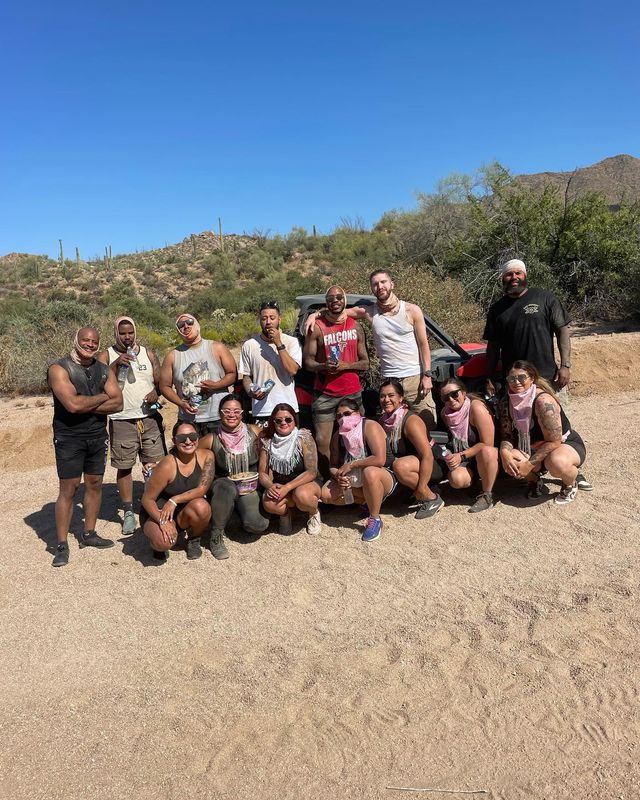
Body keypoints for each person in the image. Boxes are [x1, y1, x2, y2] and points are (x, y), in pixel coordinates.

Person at [483, 257, 592, 491]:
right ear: (503, 279)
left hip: (547, 377)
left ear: (525, 275)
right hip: (515, 382)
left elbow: (563, 330)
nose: (513, 278)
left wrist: (566, 364)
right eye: (509, 275)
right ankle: (535, 472)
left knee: (557, 427)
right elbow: (492, 346)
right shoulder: (497, 309)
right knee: (523, 429)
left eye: (517, 274)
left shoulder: (545, 298)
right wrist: (490, 376)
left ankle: (571, 470)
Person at [306, 271, 436, 425]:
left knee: (426, 425)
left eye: (383, 282)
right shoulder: (369, 312)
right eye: (375, 284)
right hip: (389, 380)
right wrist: (314, 315)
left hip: (415, 378)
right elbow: (337, 311)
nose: (380, 286)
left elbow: (423, 345)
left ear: (391, 284)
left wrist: (427, 375)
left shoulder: (412, 310)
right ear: (372, 289)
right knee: (394, 429)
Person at [47, 327, 123, 567]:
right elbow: (72, 405)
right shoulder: (59, 368)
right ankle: (61, 544)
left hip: (97, 435)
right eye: (85, 340)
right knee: (68, 489)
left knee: (95, 484)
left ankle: (89, 533)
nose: (90, 344)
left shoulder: (103, 369)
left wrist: (86, 402)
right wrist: (102, 397)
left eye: (94, 341)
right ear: (76, 340)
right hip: (69, 437)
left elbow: (119, 402)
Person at [97, 316, 166, 535]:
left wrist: (157, 392)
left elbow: (160, 382)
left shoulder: (148, 353)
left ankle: (153, 502)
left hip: (148, 416)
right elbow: (98, 382)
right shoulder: (107, 355)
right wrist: (117, 364)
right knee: (125, 465)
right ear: (116, 333)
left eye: (130, 333)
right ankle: (128, 511)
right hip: (121, 418)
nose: (127, 337)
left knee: (154, 463)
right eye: (122, 333)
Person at [498, 360, 587, 505]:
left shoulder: (543, 401)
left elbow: (554, 441)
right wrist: (504, 452)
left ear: (532, 378)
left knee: (557, 463)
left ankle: (570, 483)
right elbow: (506, 435)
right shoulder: (505, 401)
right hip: (532, 446)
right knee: (511, 460)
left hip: (562, 444)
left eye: (522, 377)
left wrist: (530, 464)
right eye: (512, 378)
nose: (517, 382)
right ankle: (534, 480)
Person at [303, 285, 369, 476]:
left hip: (352, 392)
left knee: (357, 438)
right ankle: (327, 480)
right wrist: (323, 366)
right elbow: (307, 361)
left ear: (345, 300)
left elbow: (365, 363)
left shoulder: (355, 327)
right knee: (323, 440)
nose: (335, 300)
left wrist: (344, 366)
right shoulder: (317, 327)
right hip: (325, 393)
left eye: (339, 297)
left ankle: (359, 478)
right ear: (326, 302)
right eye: (331, 298)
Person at [199, 394, 269, 558]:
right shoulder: (211, 438)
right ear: (220, 413)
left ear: (242, 413)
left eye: (236, 411)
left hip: (249, 487)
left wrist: (300, 434)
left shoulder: (255, 432)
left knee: (257, 525)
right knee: (225, 486)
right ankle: (216, 536)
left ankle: (235, 515)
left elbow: (277, 441)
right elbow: (190, 456)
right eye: (227, 411)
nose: (232, 415)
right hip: (223, 485)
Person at [320, 398, 396, 542]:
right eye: (339, 416)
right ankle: (366, 502)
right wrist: (339, 476)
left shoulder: (369, 426)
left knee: (370, 471)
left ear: (358, 413)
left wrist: (351, 465)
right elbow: (333, 465)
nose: (343, 418)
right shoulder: (337, 436)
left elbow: (380, 459)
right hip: (355, 480)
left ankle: (375, 518)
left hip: (383, 476)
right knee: (325, 494)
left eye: (347, 414)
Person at [140, 421, 214, 561]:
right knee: (164, 542)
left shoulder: (207, 456)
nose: (188, 441)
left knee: (202, 506)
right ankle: (156, 541)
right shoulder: (167, 465)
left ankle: (193, 539)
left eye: (192, 436)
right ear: (174, 441)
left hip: (182, 510)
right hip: (159, 512)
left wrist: (174, 500)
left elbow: (202, 489)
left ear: (198, 438)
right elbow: (147, 499)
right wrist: (162, 522)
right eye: (181, 438)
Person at [160, 313, 236, 436]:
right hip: (189, 420)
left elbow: (232, 374)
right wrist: (181, 403)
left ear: (196, 324)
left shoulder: (216, 347)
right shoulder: (173, 356)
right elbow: (164, 386)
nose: (186, 326)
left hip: (218, 417)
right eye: (181, 325)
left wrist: (216, 385)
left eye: (189, 322)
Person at [378, 379, 445, 519]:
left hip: (433, 463)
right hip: (413, 463)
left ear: (401, 398)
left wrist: (421, 487)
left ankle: (430, 497)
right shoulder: (384, 420)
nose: (386, 400)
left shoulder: (410, 421)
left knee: (400, 466)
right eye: (382, 396)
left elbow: (427, 455)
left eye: (391, 395)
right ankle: (412, 491)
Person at [258, 404, 321, 535]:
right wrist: (270, 486)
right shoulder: (268, 442)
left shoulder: (303, 438)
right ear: (273, 422)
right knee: (269, 502)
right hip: (281, 485)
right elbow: (262, 473)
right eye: (278, 420)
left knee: (302, 495)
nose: (283, 423)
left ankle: (313, 512)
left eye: (288, 419)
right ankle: (286, 515)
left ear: (294, 420)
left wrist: (288, 487)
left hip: (305, 483)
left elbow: (311, 472)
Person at [437, 378, 499, 513]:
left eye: (454, 394)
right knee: (456, 479)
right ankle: (476, 483)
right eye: (446, 397)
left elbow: (488, 443)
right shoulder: (445, 413)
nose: (451, 400)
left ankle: (487, 494)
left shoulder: (476, 407)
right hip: (467, 458)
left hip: (485, 456)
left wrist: (461, 455)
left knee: (487, 451)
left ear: (464, 392)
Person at [238, 300, 302, 427]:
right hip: (262, 410)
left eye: (272, 318)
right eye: (264, 318)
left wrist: (278, 343)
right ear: (260, 321)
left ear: (279, 319)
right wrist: (252, 392)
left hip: (287, 408)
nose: (268, 322)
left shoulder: (291, 342)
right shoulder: (249, 345)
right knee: (263, 446)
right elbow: (246, 376)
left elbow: (292, 370)